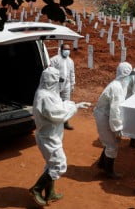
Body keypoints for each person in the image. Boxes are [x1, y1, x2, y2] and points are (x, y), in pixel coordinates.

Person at [29, 67, 90, 207]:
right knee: (59, 165)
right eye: (57, 81)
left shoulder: (48, 93)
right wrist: (74, 108)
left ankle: (50, 193)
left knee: (51, 165)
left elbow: (59, 105)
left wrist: (75, 104)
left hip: (51, 135)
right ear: (52, 81)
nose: (59, 84)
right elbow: (59, 115)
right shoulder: (45, 96)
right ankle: (36, 189)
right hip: (48, 137)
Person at [94, 61, 133, 178]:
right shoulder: (116, 88)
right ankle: (109, 172)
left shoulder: (118, 84)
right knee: (112, 145)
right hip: (104, 116)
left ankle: (102, 164)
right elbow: (115, 110)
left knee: (109, 141)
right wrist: (117, 127)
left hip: (105, 115)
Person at [49, 42, 76, 130]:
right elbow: (50, 72)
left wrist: (72, 84)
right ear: (61, 50)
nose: (67, 51)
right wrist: (57, 78)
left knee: (66, 103)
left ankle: (65, 122)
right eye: (65, 49)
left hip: (66, 85)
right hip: (56, 85)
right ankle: (54, 122)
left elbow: (72, 73)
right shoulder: (54, 60)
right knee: (55, 103)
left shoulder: (70, 61)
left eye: (68, 49)